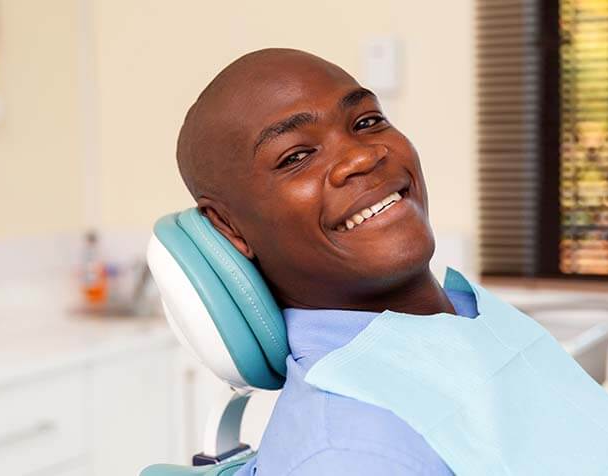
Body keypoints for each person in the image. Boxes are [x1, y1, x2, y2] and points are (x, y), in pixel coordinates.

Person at [177, 48, 475, 475]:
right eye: (295, 156)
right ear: (229, 227)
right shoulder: (349, 453)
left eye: (367, 122)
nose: (362, 156)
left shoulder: (472, 317)